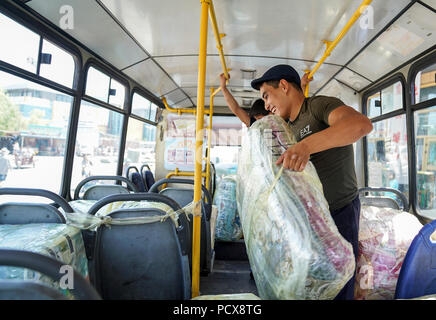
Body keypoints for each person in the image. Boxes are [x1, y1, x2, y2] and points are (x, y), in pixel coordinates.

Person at [251, 64, 373, 300]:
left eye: (266, 95)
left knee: (338, 288)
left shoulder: (318, 106)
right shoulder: (287, 128)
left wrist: (306, 146)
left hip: (339, 213)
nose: (266, 105)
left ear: (284, 86)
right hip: (309, 221)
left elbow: (360, 125)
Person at [220, 73, 312, 128]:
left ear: (271, 113)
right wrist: (223, 88)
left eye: (261, 119)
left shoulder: (283, 119)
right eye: (257, 120)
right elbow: (236, 109)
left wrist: (302, 85)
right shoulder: (256, 126)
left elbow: (297, 105)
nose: (260, 124)